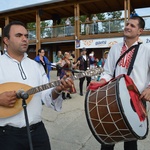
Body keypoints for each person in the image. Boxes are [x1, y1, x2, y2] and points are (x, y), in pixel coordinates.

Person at [0, 21, 74, 150]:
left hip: (38, 132)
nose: (24, 39)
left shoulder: (36, 66)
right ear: (6, 40)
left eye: (26, 36)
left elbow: (46, 96)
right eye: (19, 35)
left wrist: (57, 89)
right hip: (6, 136)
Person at [88, 16, 150, 150]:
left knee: (131, 142)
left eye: (132, 26)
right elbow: (108, 72)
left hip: (136, 100)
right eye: (127, 24)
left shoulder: (147, 50)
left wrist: (149, 89)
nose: (127, 27)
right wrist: (101, 82)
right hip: (114, 97)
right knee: (107, 138)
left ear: (140, 31)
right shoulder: (115, 48)